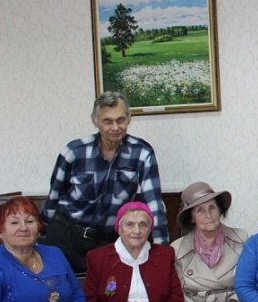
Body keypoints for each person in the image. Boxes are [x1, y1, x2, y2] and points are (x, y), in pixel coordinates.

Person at [41, 91, 168, 273]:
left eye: (120, 120)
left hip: (109, 241)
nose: (115, 127)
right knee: (60, 289)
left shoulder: (142, 153)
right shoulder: (74, 151)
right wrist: (41, 244)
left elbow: (153, 203)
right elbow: (53, 199)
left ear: (129, 119)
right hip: (66, 237)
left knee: (108, 290)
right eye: (107, 121)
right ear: (95, 121)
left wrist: (161, 248)